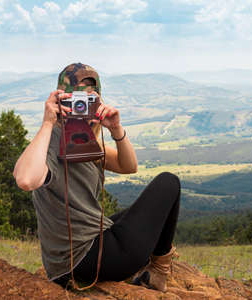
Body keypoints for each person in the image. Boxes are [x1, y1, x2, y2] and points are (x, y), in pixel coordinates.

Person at [13, 63, 181, 292]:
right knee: (168, 182)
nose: (83, 104)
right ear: (61, 99)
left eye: (91, 97)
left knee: (135, 215)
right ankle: (159, 271)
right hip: (90, 260)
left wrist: (116, 129)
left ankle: (148, 262)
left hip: (67, 267)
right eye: (77, 96)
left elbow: (128, 166)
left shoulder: (82, 139)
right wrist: (47, 122)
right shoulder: (52, 140)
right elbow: (25, 179)